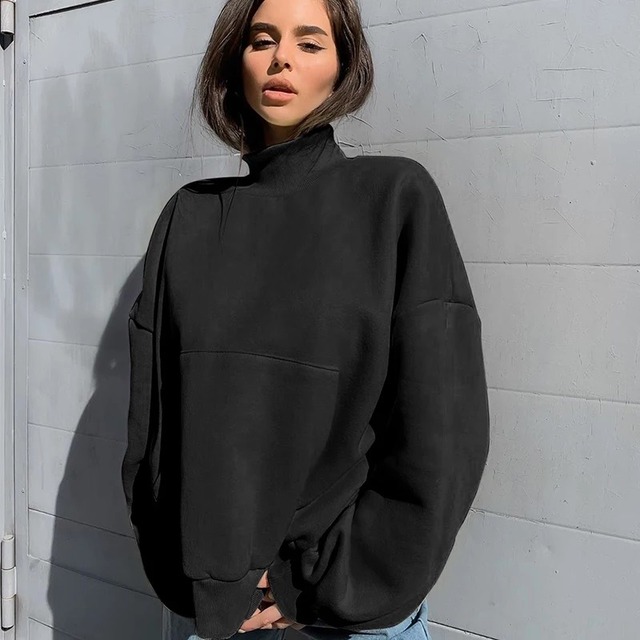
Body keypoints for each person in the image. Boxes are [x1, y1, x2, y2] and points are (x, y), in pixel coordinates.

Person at [120, 0, 490, 639]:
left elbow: (442, 430)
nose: (281, 59)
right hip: (219, 615)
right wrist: (190, 573)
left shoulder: (393, 200)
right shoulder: (189, 218)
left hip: (349, 617)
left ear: (344, 67)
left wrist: (321, 581)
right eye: (262, 39)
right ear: (234, 60)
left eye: (310, 43)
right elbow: (153, 423)